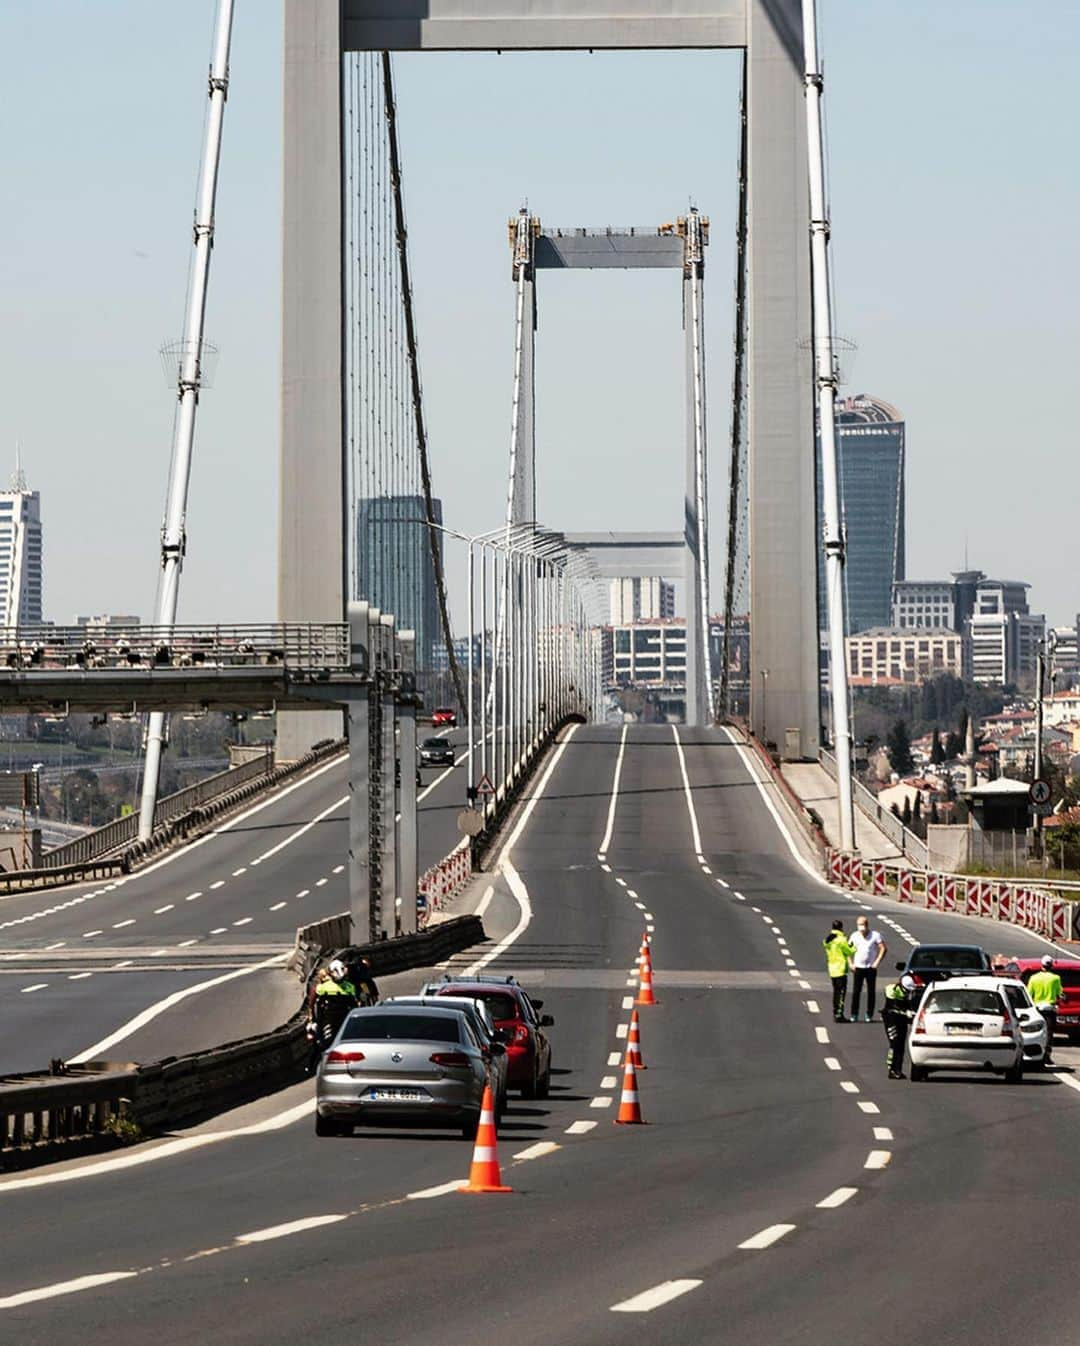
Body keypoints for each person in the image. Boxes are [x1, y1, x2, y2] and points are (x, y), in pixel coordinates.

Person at [306, 959, 359, 1070]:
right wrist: (312, 1017)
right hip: (327, 1020)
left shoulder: (350, 987)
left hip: (345, 1019)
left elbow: (356, 1004)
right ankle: (312, 1066)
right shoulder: (323, 987)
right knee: (322, 1042)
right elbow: (312, 1000)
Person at [1028, 954, 1064, 1067]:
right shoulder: (1055, 978)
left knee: (1036, 1032)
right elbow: (1060, 994)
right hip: (1049, 1009)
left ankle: (1034, 1053)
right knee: (1049, 1033)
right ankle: (1046, 1056)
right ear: (1051, 965)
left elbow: (1029, 994)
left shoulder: (1034, 978)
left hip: (1037, 1009)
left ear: (1041, 965)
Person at [849, 914, 887, 1022]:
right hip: (858, 967)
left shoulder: (875, 935)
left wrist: (877, 962)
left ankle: (869, 1014)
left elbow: (883, 948)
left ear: (867, 925)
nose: (862, 930)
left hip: (870, 968)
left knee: (871, 992)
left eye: (863, 927)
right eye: (860, 927)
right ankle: (854, 1013)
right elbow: (847, 950)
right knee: (856, 991)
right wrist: (850, 963)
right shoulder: (854, 936)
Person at [881, 976, 917, 1078]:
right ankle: (891, 1069)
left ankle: (898, 1069)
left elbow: (909, 1006)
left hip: (902, 1020)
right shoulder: (892, 990)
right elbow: (893, 1006)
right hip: (891, 1019)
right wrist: (905, 1011)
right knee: (895, 1043)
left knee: (901, 1045)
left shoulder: (909, 994)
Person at [823, 919, 855, 1022]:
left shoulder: (827, 940)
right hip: (840, 969)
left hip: (832, 968)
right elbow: (849, 951)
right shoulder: (841, 939)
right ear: (841, 927)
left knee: (836, 992)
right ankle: (839, 1015)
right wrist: (853, 946)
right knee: (841, 993)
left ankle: (835, 1012)